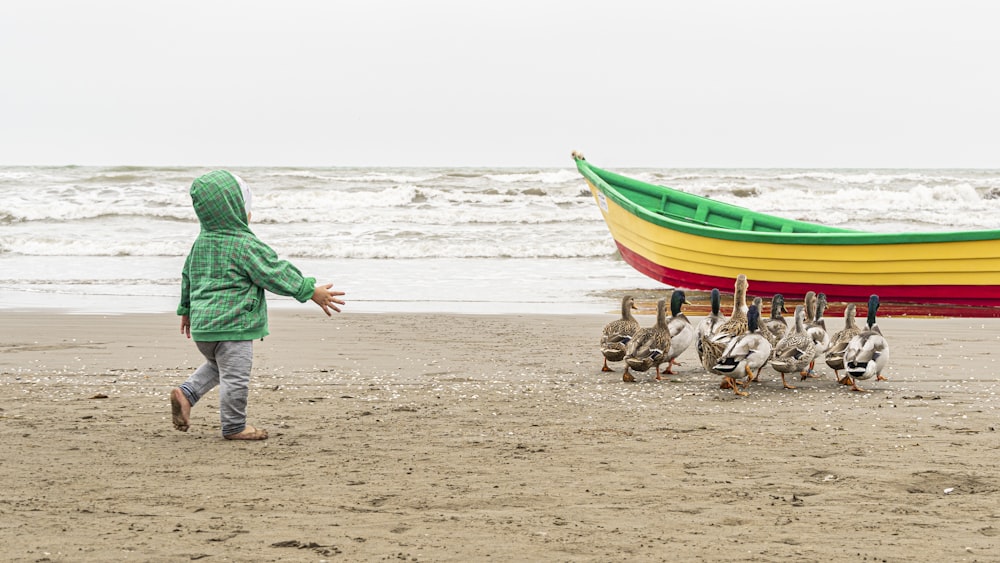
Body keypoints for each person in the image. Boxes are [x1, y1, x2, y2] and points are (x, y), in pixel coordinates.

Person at [169, 170, 345, 440]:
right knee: (235, 378)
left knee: (218, 366)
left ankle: (187, 393)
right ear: (235, 210)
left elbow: (188, 277)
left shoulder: (200, 243)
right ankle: (234, 426)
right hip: (233, 325)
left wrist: (186, 310)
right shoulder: (244, 244)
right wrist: (309, 290)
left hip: (204, 327)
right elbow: (274, 272)